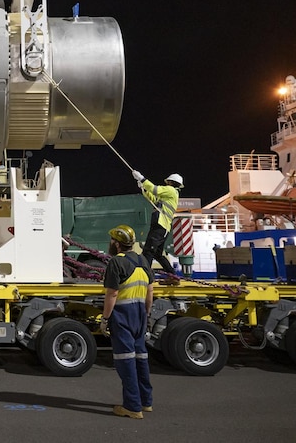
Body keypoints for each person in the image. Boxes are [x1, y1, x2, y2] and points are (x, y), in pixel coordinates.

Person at [100, 224, 154, 419]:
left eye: (111, 241)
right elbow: (150, 292)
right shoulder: (143, 261)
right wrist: (146, 316)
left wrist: (105, 319)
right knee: (141, 359)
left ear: (116, 243)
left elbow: (112, 293)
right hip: (140, 314)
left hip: (122, 315)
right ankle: (145, 401)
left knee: (126, 361)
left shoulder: (116, 262)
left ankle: (132, 406)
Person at [131, 170, 183, 275]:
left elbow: (155, 189)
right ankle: (172, 275)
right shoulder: (168, 195)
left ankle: (144, 276)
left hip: (160, 225)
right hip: (162, 226)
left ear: (171, 182)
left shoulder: (170, 190)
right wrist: (143, 188)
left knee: (148, 251)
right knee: (157, 254)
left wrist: (142, 178)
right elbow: (153, 198)